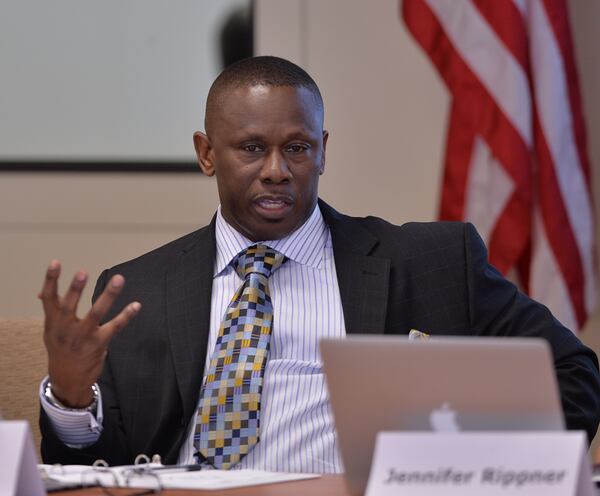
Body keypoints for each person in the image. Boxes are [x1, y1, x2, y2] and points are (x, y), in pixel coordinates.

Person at [39, 56, 600, 472]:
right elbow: (91, 469)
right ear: (207, 154)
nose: (278, 170)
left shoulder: (431, 263)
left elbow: (576, 377)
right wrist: (69, 399)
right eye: (252, 148)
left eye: (299, 148)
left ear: (324, 149)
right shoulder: (139, 288)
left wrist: (463, 469)